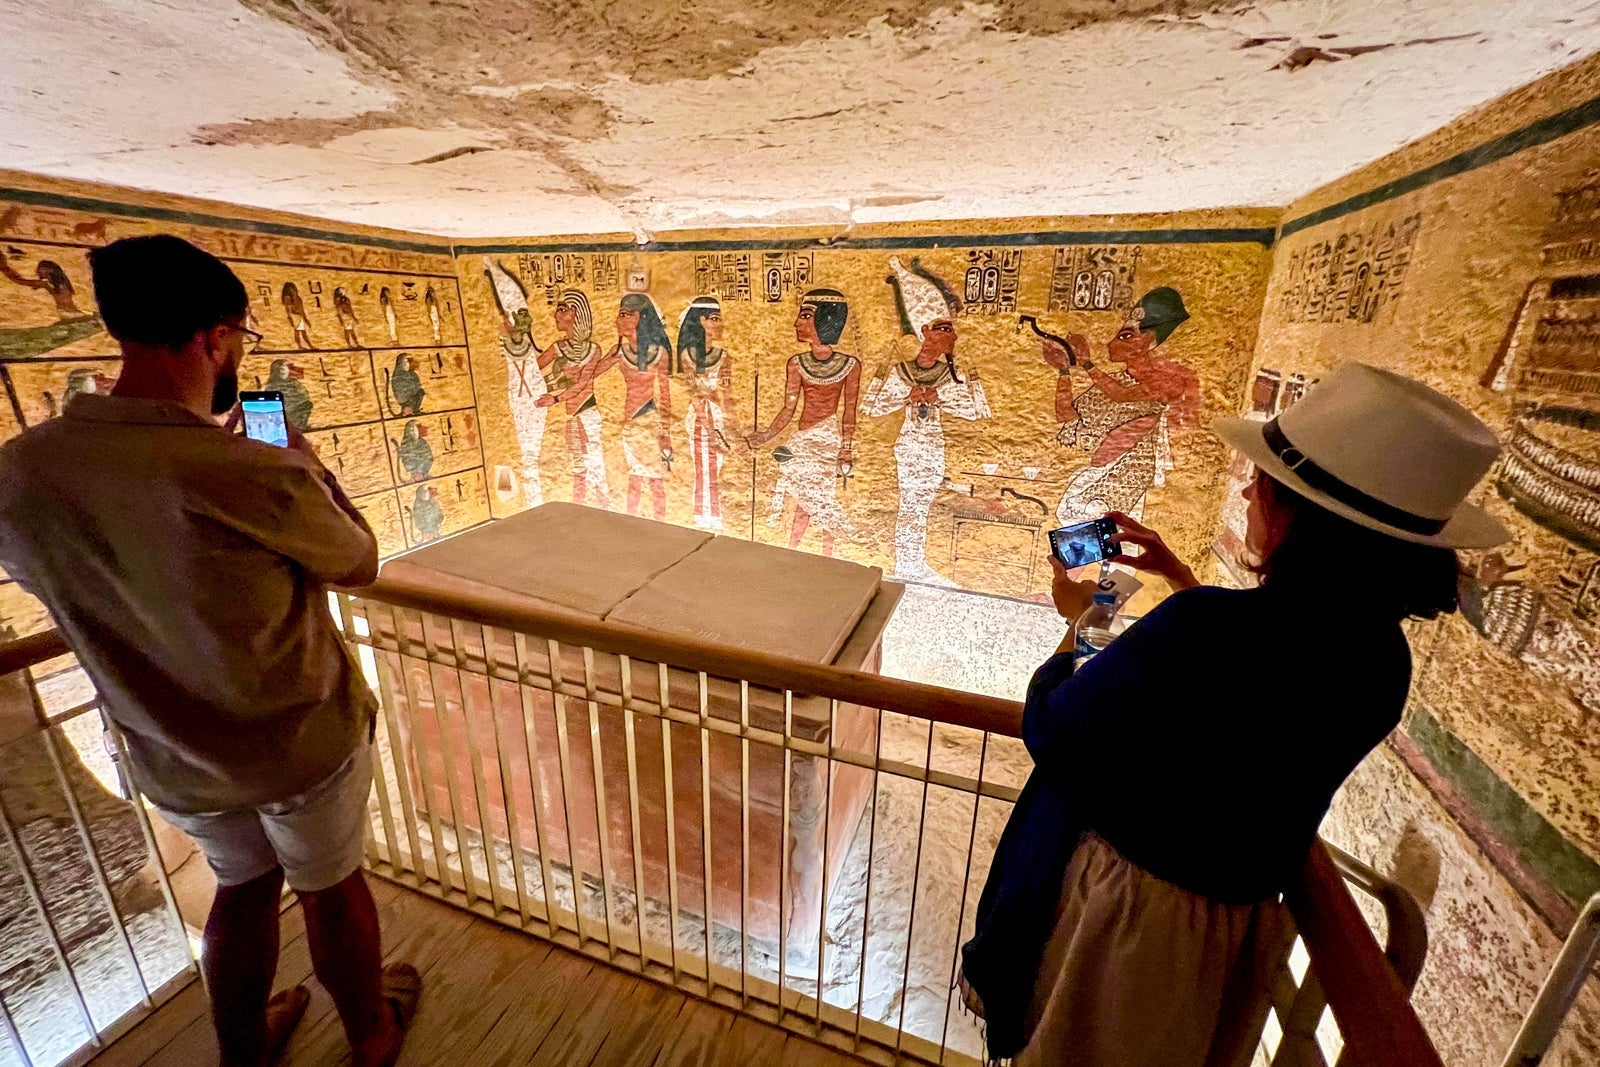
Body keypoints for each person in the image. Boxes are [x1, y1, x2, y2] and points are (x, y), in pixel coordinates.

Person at [959, 362, 1508, 1066]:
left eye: (1267, 485)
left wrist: (1088, 616)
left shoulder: (1206, 630)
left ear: (1300, 522)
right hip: (1219, 929)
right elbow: (1249, 693)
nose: (1249, 489)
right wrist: (1181, 577)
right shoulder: (1381, 659)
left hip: (1123, 917)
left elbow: (1054, 726)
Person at [0, 235, 420, 1067]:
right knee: (332, 891)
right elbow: (359, 560)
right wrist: (309, 469)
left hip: (169, 750)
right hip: (297, 741)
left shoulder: (21, 471)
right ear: (210, 337)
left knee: (241, 890)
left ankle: (242, 1051)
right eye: (241, 336)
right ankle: (370, 1035)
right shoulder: (244, 469)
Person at [864, 257, 990, 582]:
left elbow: (978, 411)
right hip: (909, 447)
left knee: (923, 506)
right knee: (912, 506)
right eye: (944, 329)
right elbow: (872, 408)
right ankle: (908, 564)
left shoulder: (953, 375)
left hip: (934, 447)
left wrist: (941, 397)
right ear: (925, 332)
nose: (953, 336)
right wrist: (906, 396)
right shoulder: (901, 370)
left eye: (952, 329)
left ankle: (914, 561)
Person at [1045, 286, 1200, 526]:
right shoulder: (1112, 382)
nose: (1111, 342)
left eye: (1126, 336)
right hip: (1100, 469)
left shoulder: (1168, 380)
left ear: (1150, 341)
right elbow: (1067, 415)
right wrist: (1064, 370)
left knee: (1088, 526)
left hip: (1126, 471)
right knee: (1078, 527)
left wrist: (1087, 364)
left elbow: (1122, 396)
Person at [748, 289, 860, 555]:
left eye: (806, 315)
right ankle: (793, 552)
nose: (797, 322)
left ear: (826, 320)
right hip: (803, 441)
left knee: (821, 499)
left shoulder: (850, 365)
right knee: (802, 498)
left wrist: (846, 448)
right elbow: (789, 408)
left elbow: (849, 411)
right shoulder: (796, 363)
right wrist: (765, 435)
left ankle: (827, 557)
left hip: (827, 440)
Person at [678, 296, 735, 531]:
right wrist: (710, 429)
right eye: (715, 319)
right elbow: (695, 395)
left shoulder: (724, 357)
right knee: (704, 469)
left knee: (715, 468)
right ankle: (703, 518)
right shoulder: (688, 356)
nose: (720, 324)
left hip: (717, 415)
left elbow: (727, 393)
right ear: (701, 321)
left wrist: (732, 425)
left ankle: (713, 518)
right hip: (702, 418)